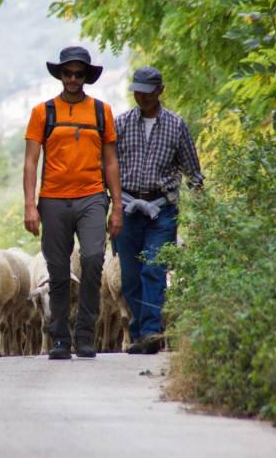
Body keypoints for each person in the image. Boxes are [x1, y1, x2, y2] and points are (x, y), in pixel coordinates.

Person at [23, 46, 122, 360]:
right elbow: (30, 162)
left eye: (79, 74)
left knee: (93, 259)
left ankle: (85, 333)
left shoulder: (100, 111)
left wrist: (117, 205)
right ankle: (60, 337)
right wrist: (29, 205)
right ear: (60, 75)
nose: (73, 79)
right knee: (58, 271)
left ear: (86, 77)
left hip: (93, 196)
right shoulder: (43, 112)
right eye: (68, 73)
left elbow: (110, 162)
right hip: (53, 200)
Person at [114, 66, 204, 355]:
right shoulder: (122, 124)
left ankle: (152, 332)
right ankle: (139, 330)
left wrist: (205, 211)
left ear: (160, 90)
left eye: (147, 91)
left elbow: (193, 171)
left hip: (162, 210)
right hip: (127, 207)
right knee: (129, 274)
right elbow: (107, 165)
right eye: (138, 91)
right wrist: (111, 204)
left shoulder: (176, 126)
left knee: (154, 268)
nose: (142, 96)